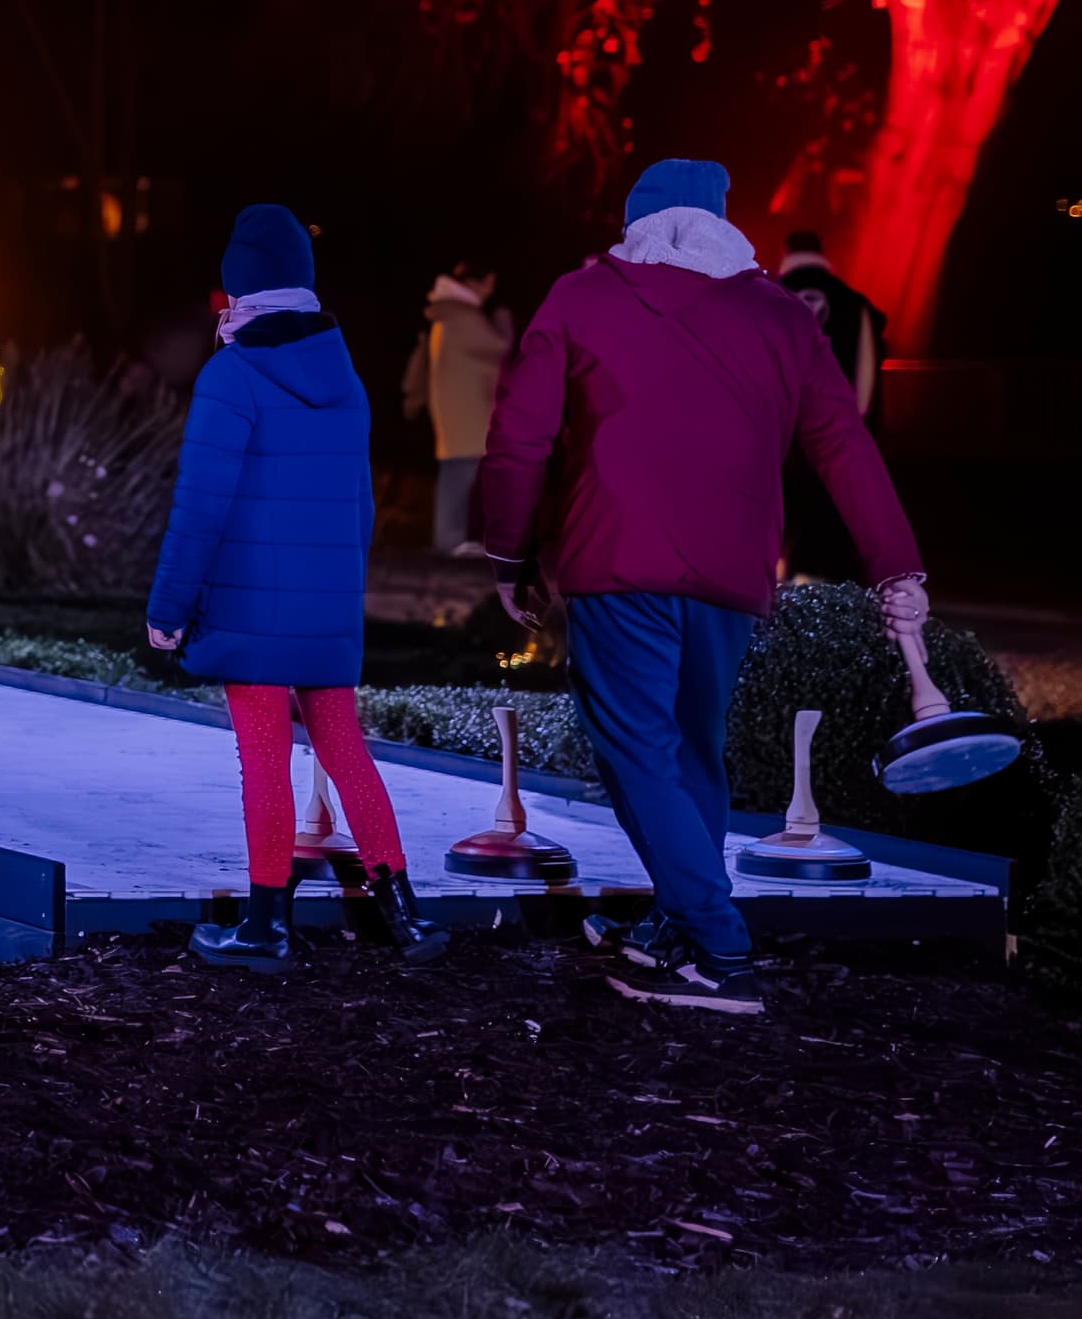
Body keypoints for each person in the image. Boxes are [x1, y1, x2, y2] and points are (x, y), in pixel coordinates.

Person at [475, 161, 929, 997]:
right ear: (723, 222)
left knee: (637, 753)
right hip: (732, 568)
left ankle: (718, 947)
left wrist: (510, 553)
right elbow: (844, 445)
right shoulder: (782, 316)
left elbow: (519, 438)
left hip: (618, 556)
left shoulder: (583, 296)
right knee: (692, 750)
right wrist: (896, 562)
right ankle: (678, 919)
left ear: (634, 221)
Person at [146, 203, 446, 971]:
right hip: (326, 610)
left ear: (238, 288)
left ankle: (265, 926)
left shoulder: (232, 376)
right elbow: (360, 511)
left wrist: (168, 612)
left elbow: (200, 508)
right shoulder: (346, 381)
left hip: (247, 606)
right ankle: (405, 915)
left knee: (264, 760)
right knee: (346, 748)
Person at [775, 229, 889, 582]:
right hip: (835, 433)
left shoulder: (766, 298)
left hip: (779, 433)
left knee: (780, 513)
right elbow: (866, 378)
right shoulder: (854, 303)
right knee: (828, 513)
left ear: (785, 252)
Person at [397, 262, 515, 555]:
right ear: (476, 282)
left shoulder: (450, 314)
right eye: (488, 283)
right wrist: (503, 321)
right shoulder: (463, 316)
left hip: (458, 411)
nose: (489, 291)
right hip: (466, 413)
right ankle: (449, 539)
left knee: (459, 474)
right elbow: (498, 348)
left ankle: (452, 538)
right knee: (460, 476)